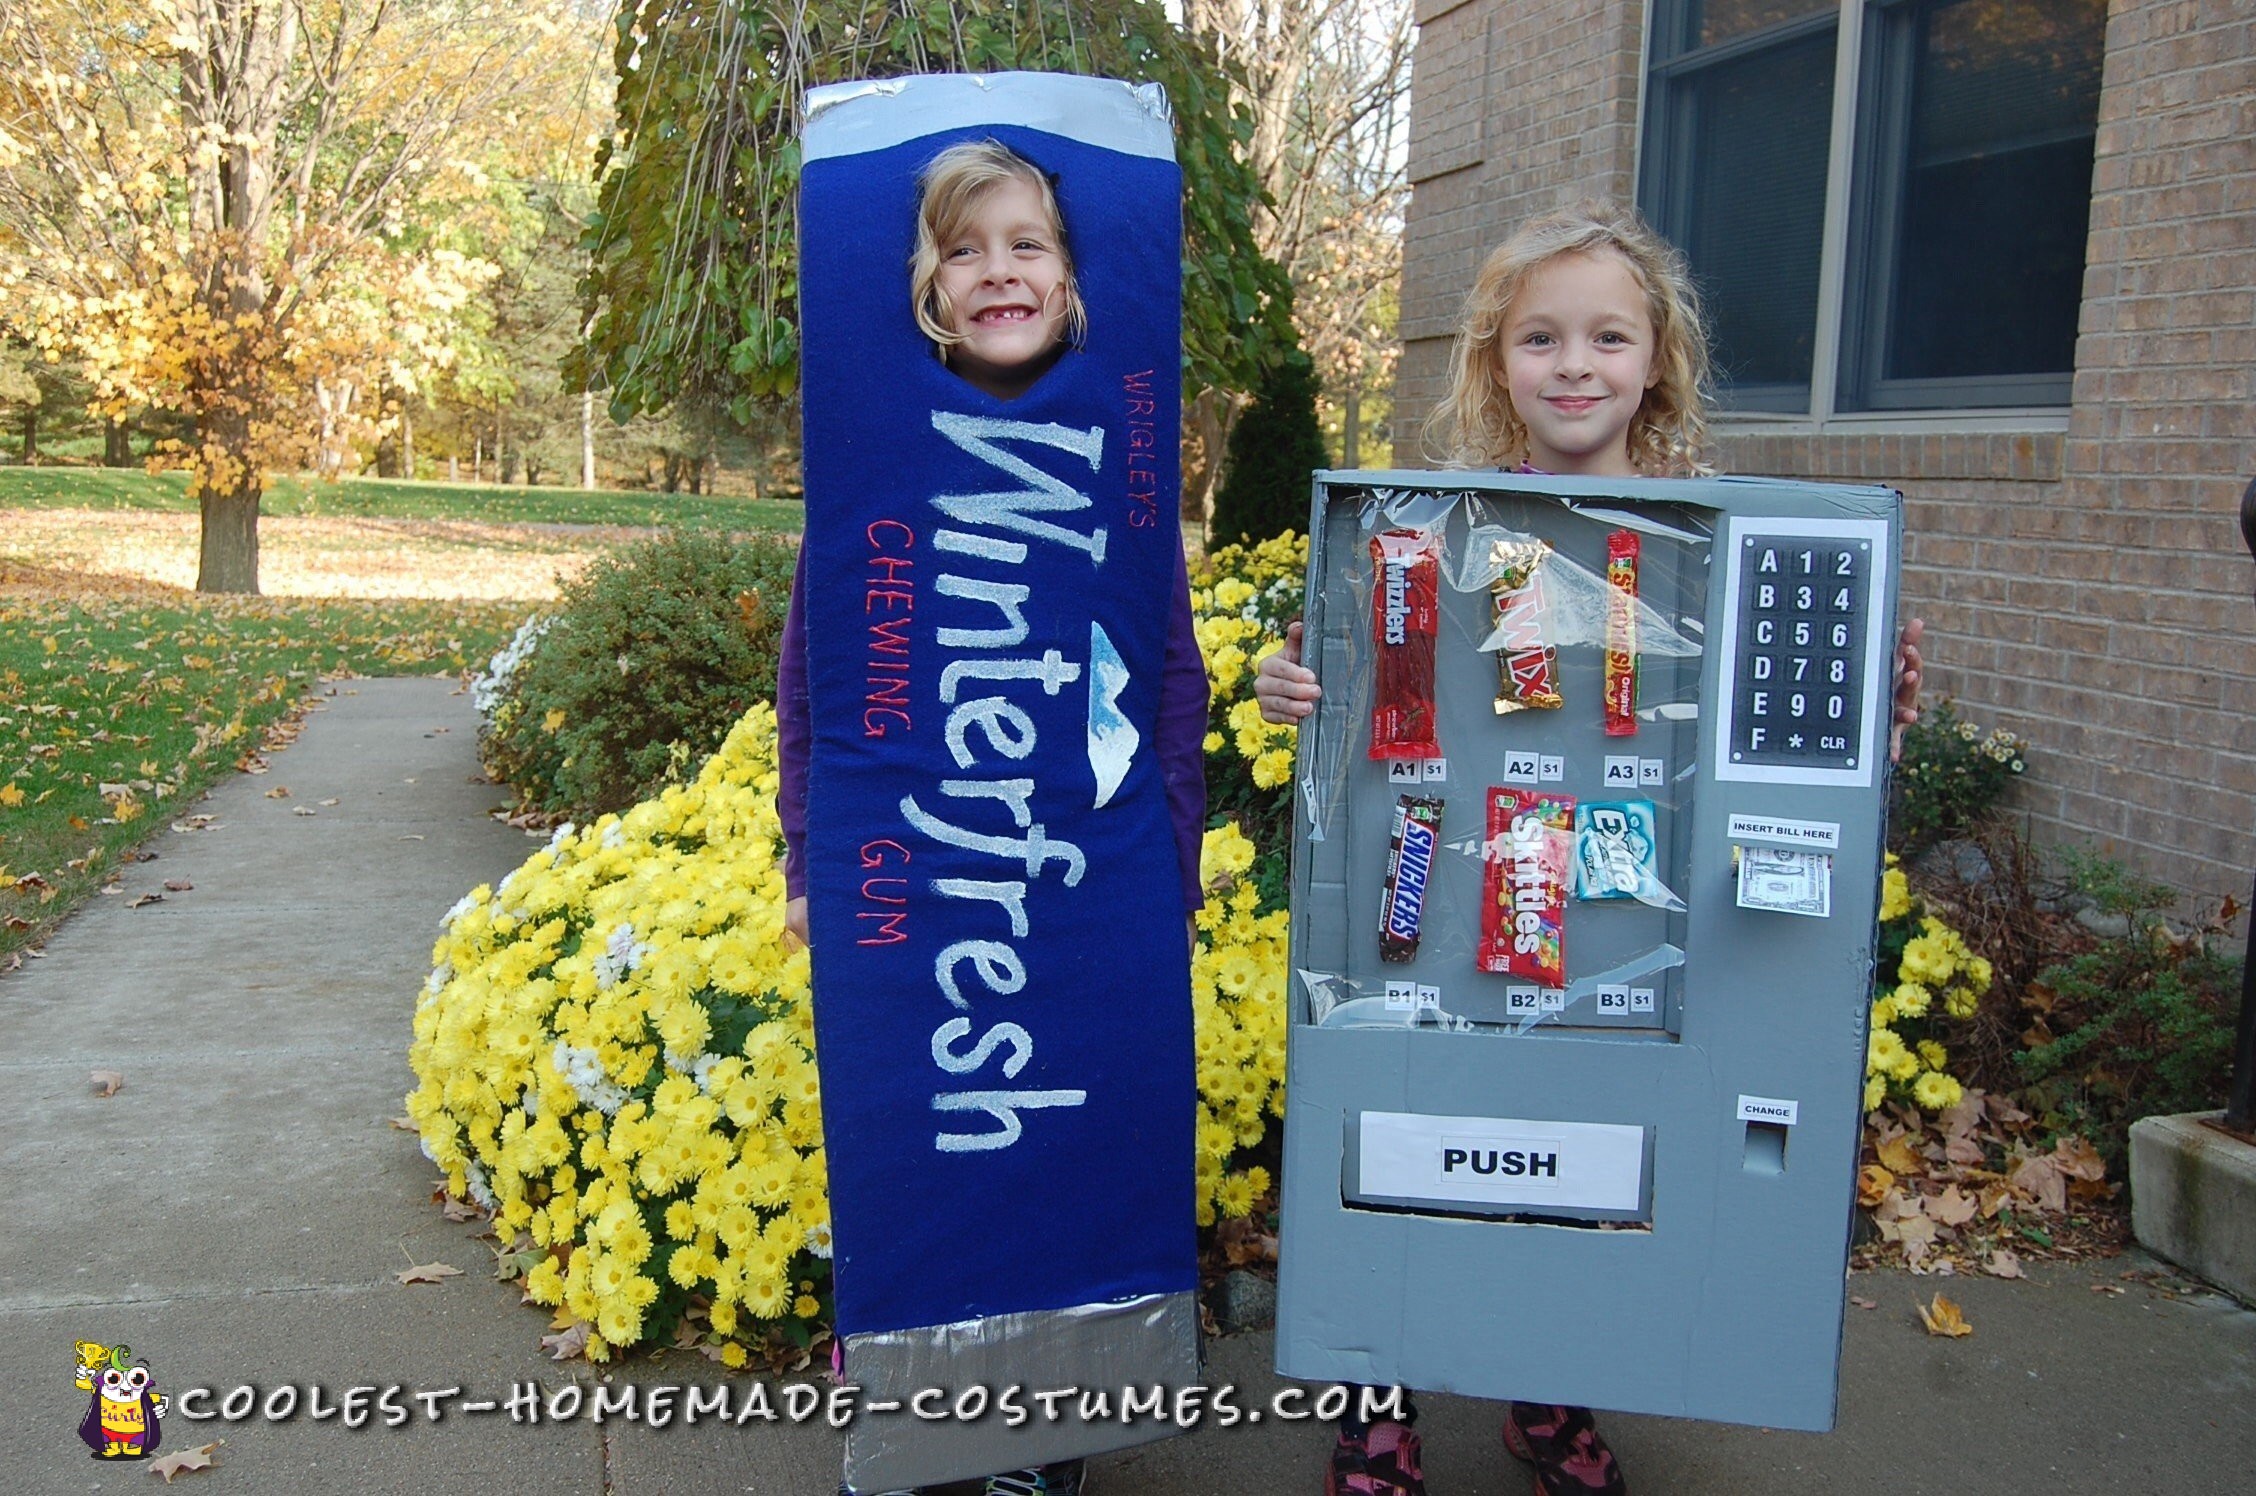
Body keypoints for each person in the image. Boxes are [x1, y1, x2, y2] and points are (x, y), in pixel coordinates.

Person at [1252, 200, 1923, 1496]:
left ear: (1657, 358)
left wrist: (1869, 702)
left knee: (1580, 1152)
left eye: (1608, 337)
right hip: (1427, 898)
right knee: (1403, 1141)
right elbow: (1343, 661)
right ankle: (1374, 1397)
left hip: (1612, 919)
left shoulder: (1712, 532)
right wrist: (1296, 680)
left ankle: (1547, 1390)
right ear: (1495, 359)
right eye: (1541, 337)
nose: (1575, 365)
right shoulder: (1426, 518)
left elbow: (1792, 712)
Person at [778, 137, 1211, 1496]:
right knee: (926, 1131)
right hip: (928, 868)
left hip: (1082, 874)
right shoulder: (874, 475)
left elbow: (1168, 676)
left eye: (1029, 243)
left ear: (1079, 280)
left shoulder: (1117, 475)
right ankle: (912, 1402)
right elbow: (819, 686)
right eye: (963, 249)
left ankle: (1042, 1430)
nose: (998, 270)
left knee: (1065, 1136)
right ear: (921, 287)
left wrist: (1171, 860)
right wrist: (810, 858)